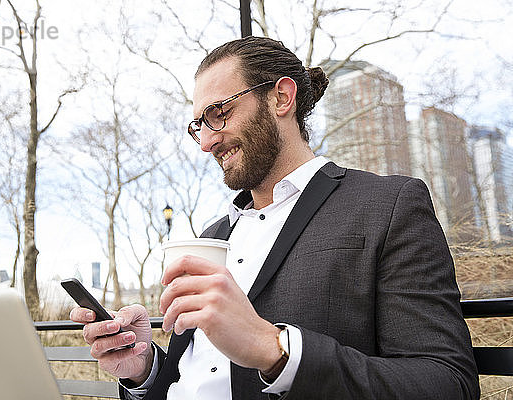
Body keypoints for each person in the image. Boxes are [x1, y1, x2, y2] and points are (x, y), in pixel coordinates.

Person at [71, 36, 480, 399]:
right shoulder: (214, 236)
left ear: (281, 98)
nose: (207, 142)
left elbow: (448, 382)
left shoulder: (386, 206)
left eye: (219, 113)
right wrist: (143, 369)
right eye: (198, 125)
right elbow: (195, 379)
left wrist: (275, 349)